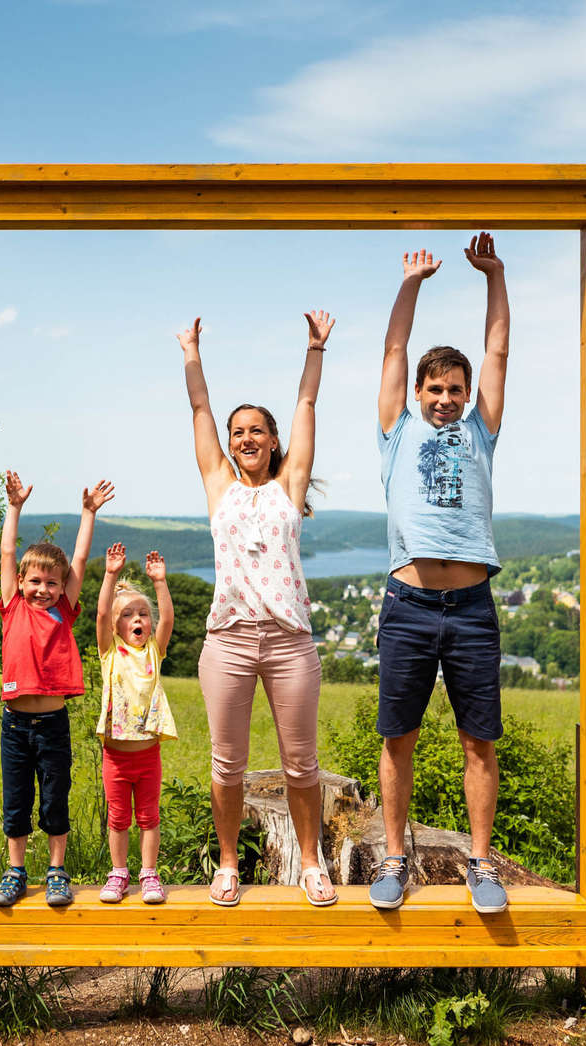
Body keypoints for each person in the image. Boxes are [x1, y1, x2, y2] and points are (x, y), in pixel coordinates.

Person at [369, 232, 511, 914]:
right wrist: (414, 283)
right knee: (399, 737)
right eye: (437, 389)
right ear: (419, 393)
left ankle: (481, 863)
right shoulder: (399, 429)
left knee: (478, 740)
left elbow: (498, 351)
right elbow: (394, 350)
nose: (446, 398)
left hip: (473, 607)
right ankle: (395, 856)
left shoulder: (481, 429)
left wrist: (494, 276)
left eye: (455, 389)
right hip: (409, 605)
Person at [180, 310, 337, 907]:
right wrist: (192, 354)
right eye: (236, 431)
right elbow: (199, 411)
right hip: (228, 640)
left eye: (256, 431)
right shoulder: (218, 483)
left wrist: (314, 350)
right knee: (228, 767)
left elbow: (307, 406)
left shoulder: (288, 485)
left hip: (289, 640)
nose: (245, 439)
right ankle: (227, 866)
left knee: (301, 765)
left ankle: (312, 862)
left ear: (274, 442)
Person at [0, 469, 115, 908]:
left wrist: (87, 513)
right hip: (15, 726)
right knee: (16, 801)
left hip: (52, 725)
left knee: (54, 800)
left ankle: (57, 871)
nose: (43, 589)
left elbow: (79, 560)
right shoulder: (12, 606)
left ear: (62, 588)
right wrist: (14, 507)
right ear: (21, 583)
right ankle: (16, 871)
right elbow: (8, 550)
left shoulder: (65, 609)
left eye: (52, 583)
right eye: (35, 582)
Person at [95, 543, 178, 904]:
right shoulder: (110, 652)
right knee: (118, 818)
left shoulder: (154, 654)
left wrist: (159, 582)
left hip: (148, 755)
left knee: (148, 817)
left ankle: (148, 874)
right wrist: (111, 575)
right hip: (115, 756)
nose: (139, 620)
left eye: (143, 614)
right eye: (129, 614)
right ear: (117, 626)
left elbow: (169, 620)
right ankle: (118, 873)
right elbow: (99, 615)